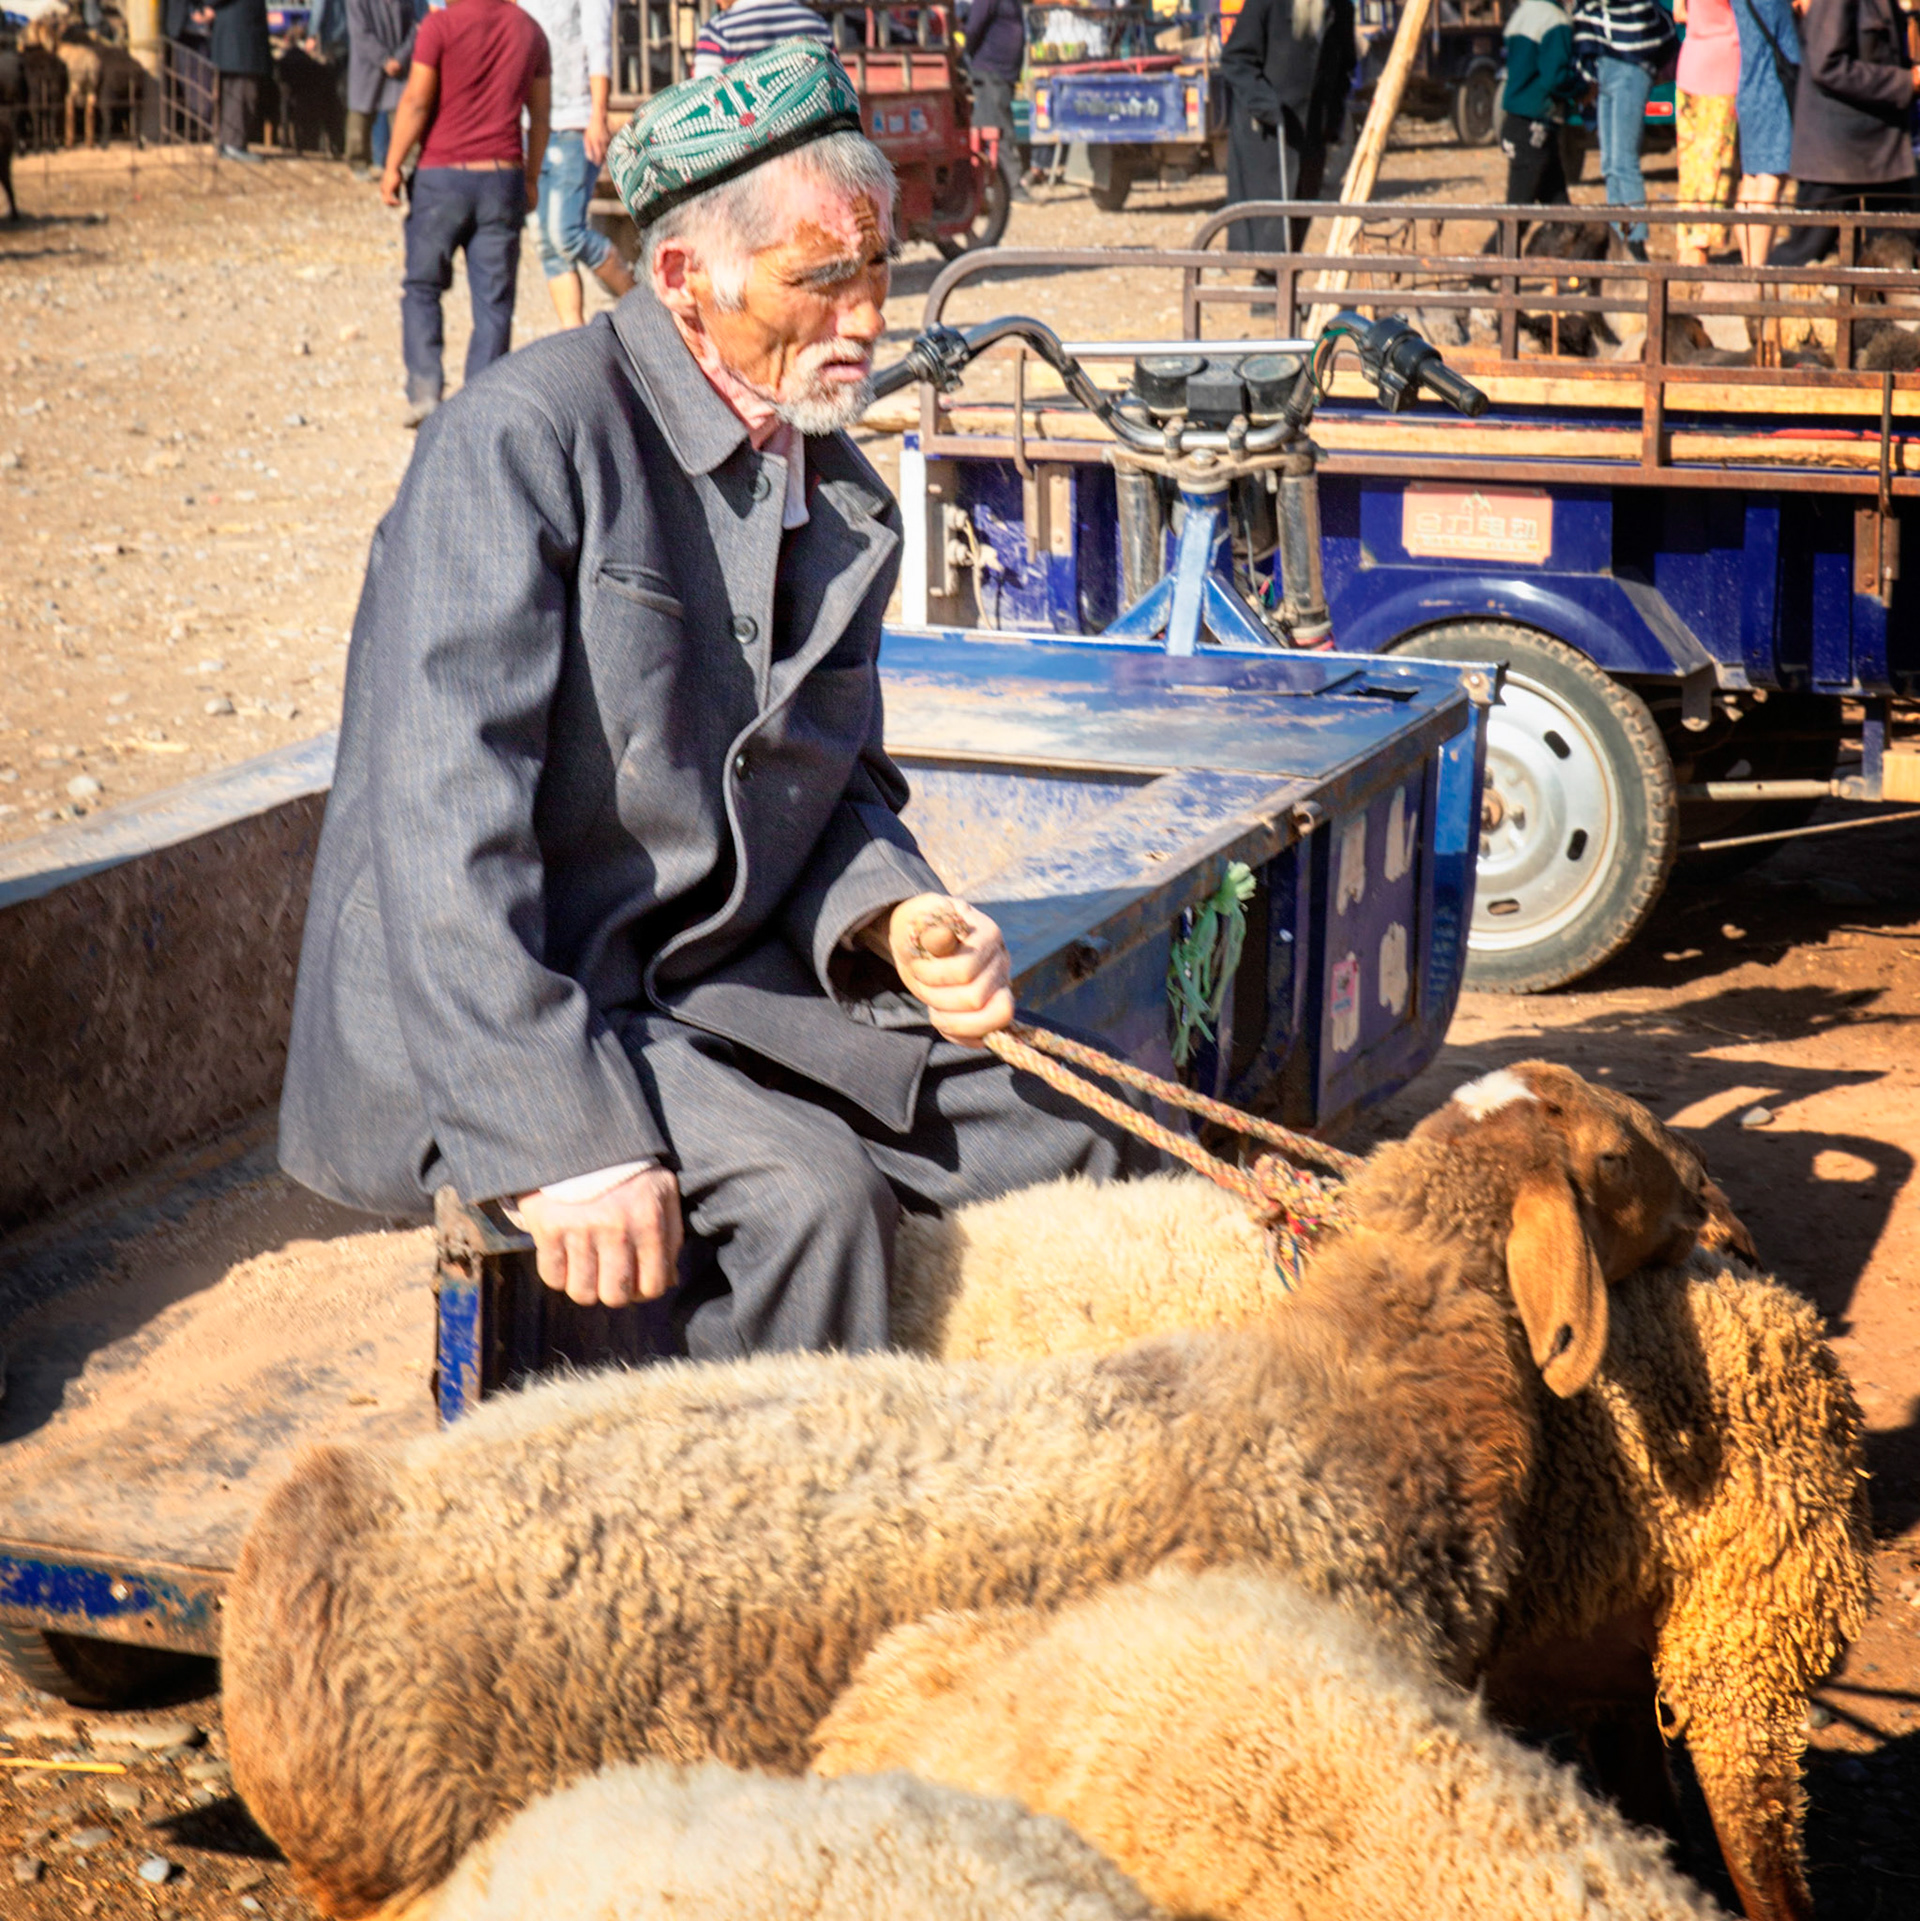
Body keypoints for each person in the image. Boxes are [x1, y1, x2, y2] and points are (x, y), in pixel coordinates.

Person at [280, 41, 1156, 1356]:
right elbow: (436, 813)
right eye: (820, 281)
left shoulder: (833, 481)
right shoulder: (522, 439)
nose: (866, 318)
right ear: (684, 279)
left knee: (1069, 1134)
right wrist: (555, 1130)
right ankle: (788, 1546)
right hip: (516, 1012)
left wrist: (894, 916)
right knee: (813, 1202)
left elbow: (831, 778)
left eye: (879, 272)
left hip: (708, 982)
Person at [381, 0, 551, 427]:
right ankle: (481, 403)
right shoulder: (529, 30)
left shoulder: (440, 27)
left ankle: (425, 391)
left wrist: (392, 165)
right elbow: (541, 116)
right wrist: (531, 178)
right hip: (501, 178)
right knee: (493, 302)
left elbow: (417, 101)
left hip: (442, 178)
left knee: (422, 285)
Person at [1771, 0, 1919, 266]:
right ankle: (1767, 302)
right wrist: (1906, 82)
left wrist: (1910, 74)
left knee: (1897, 253)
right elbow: (1827, 65)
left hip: (1881, 154)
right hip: (1834, 155)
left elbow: (1886, 55)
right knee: (1804, 256)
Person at [521, 0, 637, 326]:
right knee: (546, 242)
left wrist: (597, 115)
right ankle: (573, 336)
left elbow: (598, 44)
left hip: (574, 119)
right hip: (531, 121)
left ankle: (646, 307)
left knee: (566, 233)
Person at [1220, 0, 1358, 256]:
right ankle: (1268, 290)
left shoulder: (1340, 8)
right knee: (1268, 241)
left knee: (1295, 231)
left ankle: (1283, 291)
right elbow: (1235, 58)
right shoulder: (1267, 4)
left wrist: (1333, 118)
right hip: (1268, 139)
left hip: (1311, 138)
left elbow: (1345, 66)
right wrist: (1264, 103)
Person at [1572, 0, 1678, 259]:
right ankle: (1618, 238)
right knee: (1608, 163)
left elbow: (1641, 18)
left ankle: (1636, 243)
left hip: (1631, 65)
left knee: (1624, 160)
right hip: (1604, 64)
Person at [1730, 0, 1802, 267]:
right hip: (1775, 88)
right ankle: (1757, 271)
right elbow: (1790, 43)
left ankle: (1750, 264)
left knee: (1750, 182)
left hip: (1748, 85)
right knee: (1769, 183)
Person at [1673, 0, 1742, 270]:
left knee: (1689, 164)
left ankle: (1685, 244)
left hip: (1690, 63)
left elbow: (1679, 13)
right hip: (1723, 67)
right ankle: (1699, 248)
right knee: (1716, 163)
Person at [1496, 0, 1581, 218]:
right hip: (1534, 127)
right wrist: (1582, 89)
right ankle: (1494, 253)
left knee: (1561, 214)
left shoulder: (1524, 12)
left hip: (1517, 120)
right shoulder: (1555, 20)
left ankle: (1569, 251)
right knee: (1516, 219)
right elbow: (1556, 77)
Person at [962, 0, 1028, 209]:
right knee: (999, 130)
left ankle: (995, 187)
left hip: (1002, 74)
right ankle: (1012, 187)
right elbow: (972, 30)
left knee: (995, 128)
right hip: (989, 71)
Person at [346, 0, 416, 180]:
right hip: (367, 65)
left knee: (403, 112)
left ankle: (409, 163)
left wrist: (401, 57)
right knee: (360, 115)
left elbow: (414, 28)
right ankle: (358, 163)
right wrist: (383, 59)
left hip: (400, 65)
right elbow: (360, 33)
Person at [200, 0, 273, 163]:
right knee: (242, 94)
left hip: (239, 38)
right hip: (239, 38)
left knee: (237, 92)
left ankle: (229, 143)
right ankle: (233, 145)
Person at [690, 0, 833, 77]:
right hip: (815, 128)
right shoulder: (818, 24)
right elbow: (838, 86)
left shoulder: (717, 31)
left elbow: (705, 99)